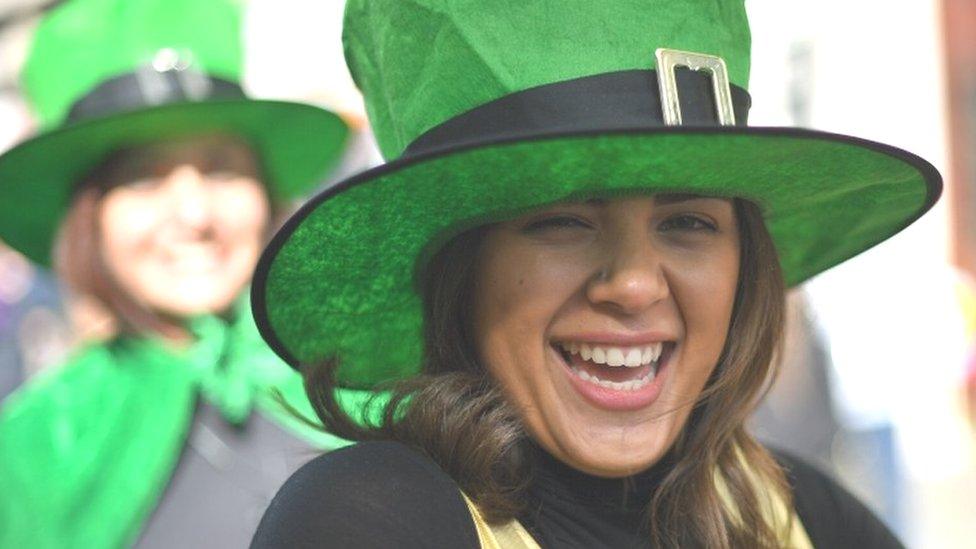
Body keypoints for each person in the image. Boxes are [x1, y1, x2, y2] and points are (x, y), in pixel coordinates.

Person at [250, 1, 941, 547]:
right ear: (462, 267)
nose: (635, 283)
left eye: (688, 222)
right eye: (562, 220)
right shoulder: (372, 519)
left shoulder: (806, 516)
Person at [0, 0, 366, 547]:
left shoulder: (377, 366)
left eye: (221, 167)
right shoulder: (37, 446)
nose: (195, 216)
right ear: (88, 218)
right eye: (143, 180)